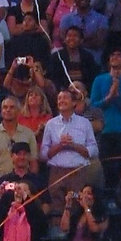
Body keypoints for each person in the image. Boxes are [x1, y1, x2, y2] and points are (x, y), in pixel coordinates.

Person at [40, 88, 99, 218]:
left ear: (74, 103)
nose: (61, 101)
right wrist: (60, 145)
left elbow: (94, 150)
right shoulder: (51, 124)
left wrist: (74, 146)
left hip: (78, 172)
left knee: (77, 210)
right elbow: (43, 154)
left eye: (65, 98)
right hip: (56, 172)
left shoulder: (84, 123)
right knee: (57, 211)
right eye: (59, 98)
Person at [90, 50, 121, 186]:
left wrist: (117, 97)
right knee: (106, 165)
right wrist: (109, 97)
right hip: (105, 129)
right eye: (112, 55)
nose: (115, 57)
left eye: (119, 55)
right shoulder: (99, 80)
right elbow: (93, 105)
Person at [0, 97, 39, 191]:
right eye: (5, 107)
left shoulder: (28, 134)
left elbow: (33, 162)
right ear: (1, 111)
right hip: (0, 186)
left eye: (12, 107)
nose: (8, 110)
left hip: (24, 188)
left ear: (18, 111)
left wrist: (30, 185)